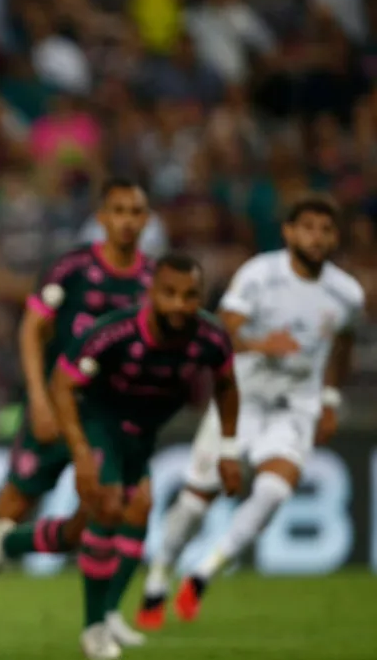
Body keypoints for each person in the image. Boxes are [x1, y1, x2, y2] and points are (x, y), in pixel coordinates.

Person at [0, 180, 153, 648]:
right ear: (102, 216)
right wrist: (37, 397)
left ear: (147, 219)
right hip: (59, 406)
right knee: (15, 504)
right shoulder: (73, 268)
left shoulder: (152, 281)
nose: (127, 220)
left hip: (113, 419)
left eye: (136, 211)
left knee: (133, 504)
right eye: (118, 210)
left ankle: (106, 614)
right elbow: (32, 330)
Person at [138, 197, 362, 628]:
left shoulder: (346, 292)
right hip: (239, 398)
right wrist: (263, 345)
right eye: (308, 227)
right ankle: (159, 575)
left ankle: (203, 570)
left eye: (326, 229)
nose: (317, 237)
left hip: (296, 405)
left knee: (275, 492)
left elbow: (344, 345)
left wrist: (330, 400)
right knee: (195, 502)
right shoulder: (261, 274)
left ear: (335, 237)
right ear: (289, 232)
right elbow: (219, 329)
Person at [49, 251, 240, 659]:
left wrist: (228, 448)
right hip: (100, 419)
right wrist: (82, 452)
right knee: (110, 505)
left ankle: (7, 545)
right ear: (152, 291)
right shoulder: (114, 332)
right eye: (169, 293)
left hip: (142, 432)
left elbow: (226, 385)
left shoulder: (211, 336)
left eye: (190, 295)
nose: (179, 304)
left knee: (137, 511)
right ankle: (94, 626)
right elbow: (63, 382)